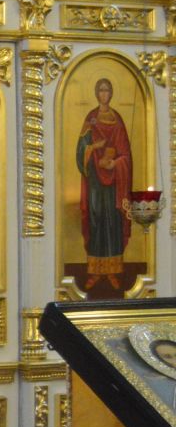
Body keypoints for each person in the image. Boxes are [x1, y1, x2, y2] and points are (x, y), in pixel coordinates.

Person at [76, 77, 133, 292]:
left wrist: (115, 163)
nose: (104, 94)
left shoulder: (117, 121)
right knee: (96, 219)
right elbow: (80, 150)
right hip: (94, 181)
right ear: (96, 93)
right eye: (100, 90)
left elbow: (126, 155)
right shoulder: (90, 119)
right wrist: (93, 148)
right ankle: (95, 271)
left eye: (107, 90)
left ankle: (112, 271)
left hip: (114, 183)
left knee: (113, 221)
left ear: (111, 93)